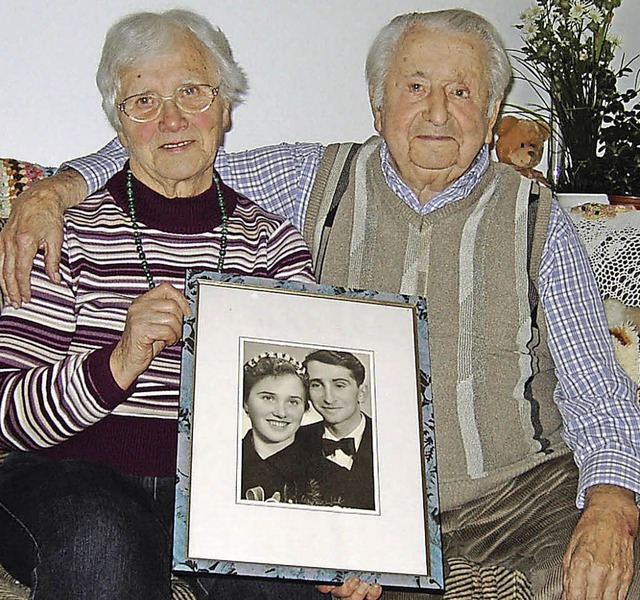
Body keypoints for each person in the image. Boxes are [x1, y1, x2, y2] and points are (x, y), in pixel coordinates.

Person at [1, 8, 639, 600]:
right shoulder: (308, 181)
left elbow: (599, 392)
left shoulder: (535, 221)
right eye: (415, 86)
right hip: (107, 475)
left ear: (494, 108)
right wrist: (55, 190)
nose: (438, 112)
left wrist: (613, 505)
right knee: (104, 545)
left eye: (462, 91)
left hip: (516, 497)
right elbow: (167, 145)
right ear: (375, 102)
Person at [0, 9, 330, 600]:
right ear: (119, 127)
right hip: (72, 476)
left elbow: (305, 413)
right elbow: (8, 414)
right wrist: (118, 360)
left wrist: (346, 538)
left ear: (225, 106)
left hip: (222, 490)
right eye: (143, 101)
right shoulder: (61, 232)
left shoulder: (274, 245)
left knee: (280, 582)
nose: (171, 118)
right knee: (102, 544)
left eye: (191, 92)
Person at [296, 350, 375, 511]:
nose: (329, 398)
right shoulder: (294, 439)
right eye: (316, 385)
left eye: (339, 385)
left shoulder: (389, 440)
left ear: (361, 393)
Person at [241, 352, 312, 503]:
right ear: (246, 403)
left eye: (293, 402)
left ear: (304, 407)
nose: (281, 413)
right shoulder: (221, 462)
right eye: (268, 398)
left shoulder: (331, 475)